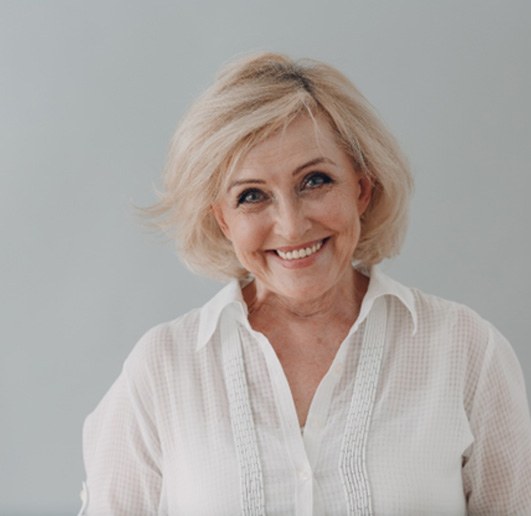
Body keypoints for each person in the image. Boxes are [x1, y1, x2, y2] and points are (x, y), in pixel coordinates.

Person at [78, 52, 531, 515]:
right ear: (222, 220)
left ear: (361, 188)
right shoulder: (163, 370)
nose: (292, 227)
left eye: (315, 180)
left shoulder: (465, 349)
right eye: (251, 196)